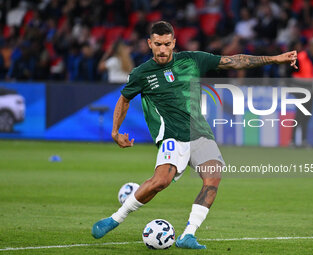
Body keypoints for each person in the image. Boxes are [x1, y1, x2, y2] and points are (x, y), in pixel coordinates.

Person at [92, 21, 297, 249]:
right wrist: (115, 131)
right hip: (171, 135)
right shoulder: (141, 73)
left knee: (214, 177)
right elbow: (124, 99)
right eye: (157, 44)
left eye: (167, 44)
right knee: (161, 181)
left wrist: (274, 58)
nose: (162, 49)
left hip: (200, 133)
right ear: (150, 44)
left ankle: (188, 234)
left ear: (174, 43)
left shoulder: (192, 60)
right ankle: (115, 218)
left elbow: (235, 60)